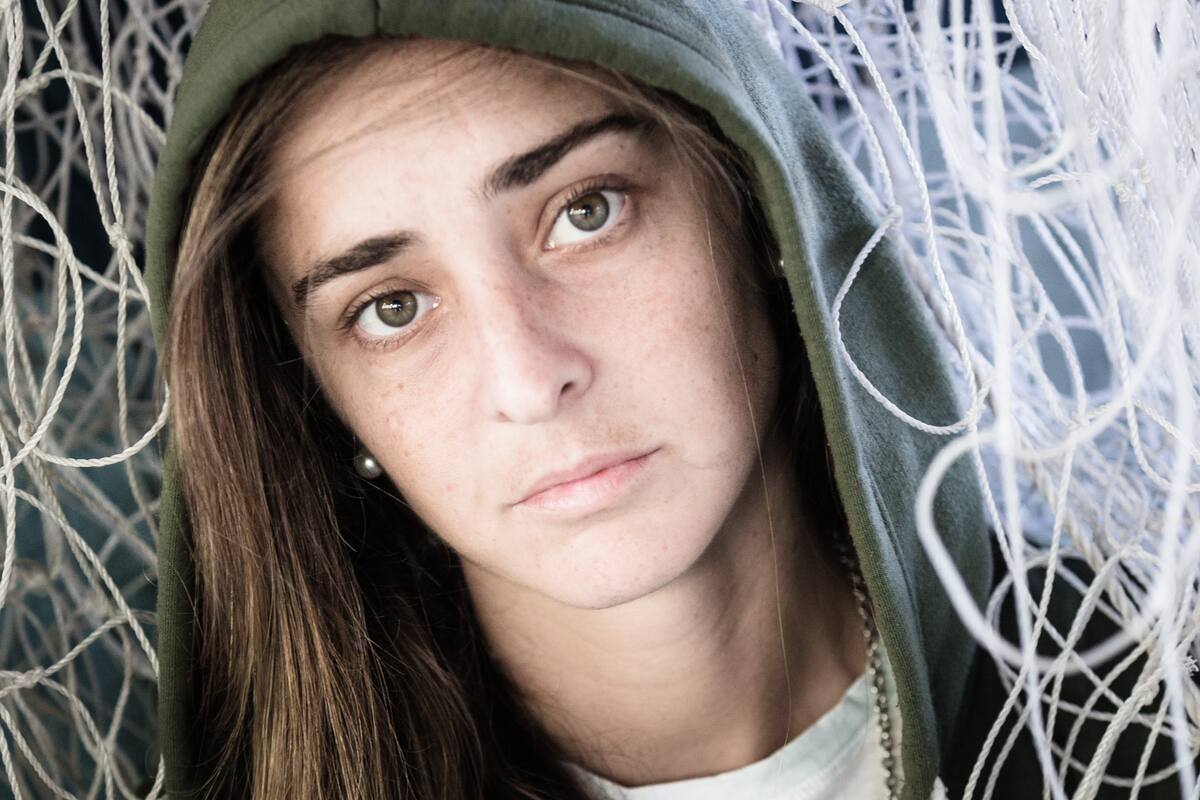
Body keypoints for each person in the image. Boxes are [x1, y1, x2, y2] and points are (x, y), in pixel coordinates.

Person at [145, 2, 1178, 798]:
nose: (528, 378)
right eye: (391, 306)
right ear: (317, 402)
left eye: (586, 212)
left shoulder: (1145, 704)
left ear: (758, 206)